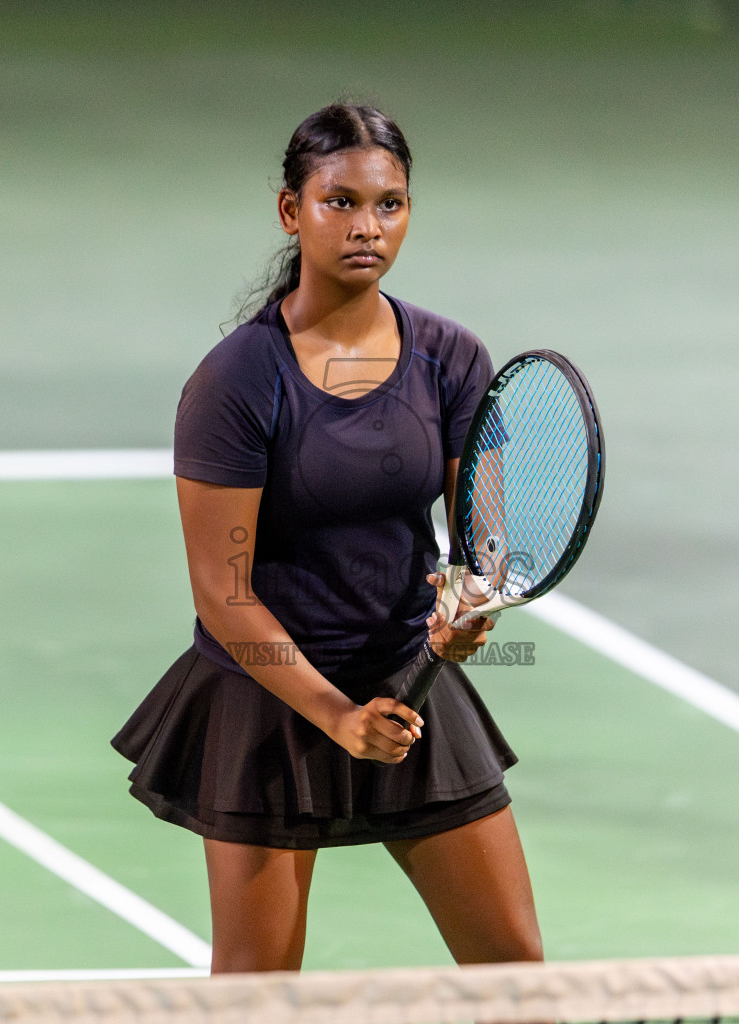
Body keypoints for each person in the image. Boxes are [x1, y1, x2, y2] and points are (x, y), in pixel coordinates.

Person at [111, 102, 542, 974]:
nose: (367, 228)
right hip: (267, 696)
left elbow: (480, 537)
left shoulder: (452, 359)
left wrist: (468, 607)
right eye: (339, 202)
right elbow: (222, 594)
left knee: (515, 976)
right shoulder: (237, 382)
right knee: (258, 995)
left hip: (407, 688)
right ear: (290, 212)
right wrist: (338, 717)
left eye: (389, 204)